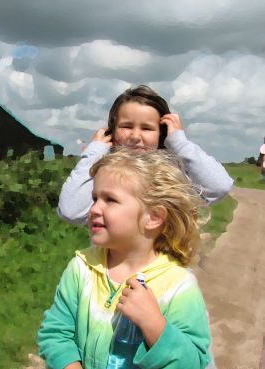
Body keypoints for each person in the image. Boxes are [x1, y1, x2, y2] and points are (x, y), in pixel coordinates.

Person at [38, 149, 212, 369]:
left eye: (110, 200)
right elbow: (55, 333)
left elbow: (192, 362)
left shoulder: (178, 286)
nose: (94, 209)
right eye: (95, 198)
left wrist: (154, 325)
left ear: (154, 217)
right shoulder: (82, 268)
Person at [58, 85, 233, 225]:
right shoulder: (104, 175)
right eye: (126, 126)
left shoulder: (169, 176)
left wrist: (180, 143)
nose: (135, 136)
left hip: (164, 268)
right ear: (112, 129)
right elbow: (71, 211)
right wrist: (94, 152)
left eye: (147, 128)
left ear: (162, 134)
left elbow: (219, 187)